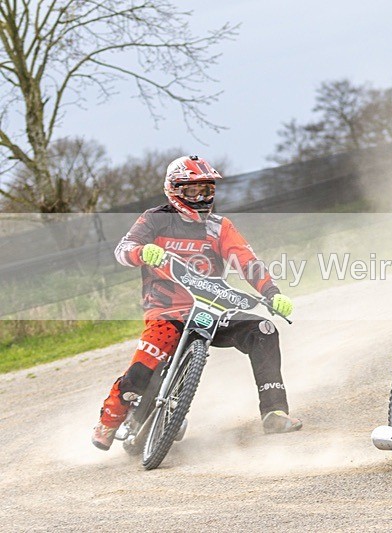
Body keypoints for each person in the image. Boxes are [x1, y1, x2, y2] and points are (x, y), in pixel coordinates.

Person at [91, 155, 301, 451]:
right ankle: (109, 420)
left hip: (212, 309)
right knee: (141, 371)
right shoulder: (154, 218)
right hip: (166, 312)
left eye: (207, 190)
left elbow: (246, 261)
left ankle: (275, 412)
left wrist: (271, 292)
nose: (201, 197)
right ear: (174, 191)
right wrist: (142, 252)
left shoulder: (219, 226)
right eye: (192, 191)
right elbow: (123, 249)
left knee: (263, 329)